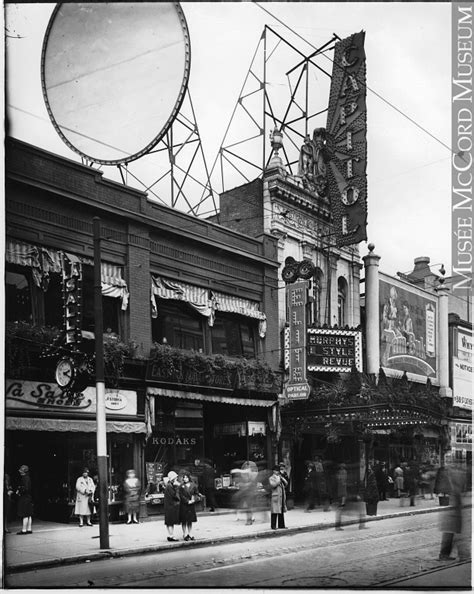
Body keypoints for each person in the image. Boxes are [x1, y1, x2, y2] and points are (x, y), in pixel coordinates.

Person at [437, 462, 470, 561]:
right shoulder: (452, 480)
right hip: (452, 511)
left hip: (453, 511)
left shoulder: (452, 479)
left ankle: (448, 554)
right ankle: (462, 554)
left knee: (452, 532)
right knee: (453, 532)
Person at [178, 472, 200, 541]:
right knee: (184, 520)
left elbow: (196, 494)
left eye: (186, 477)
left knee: (190, 520)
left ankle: (190, 533)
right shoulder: (181, 486)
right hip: (184, 505)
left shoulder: (193, 485)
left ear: (189, 478)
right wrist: (187, 501)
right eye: (184, 478)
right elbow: (181, 495)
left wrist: (194, 500)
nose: (185, 479)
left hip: (191, 505)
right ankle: (184, 534)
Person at [16, 465, 33, 535]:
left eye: (21, 470)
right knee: (29, 514)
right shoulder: (28, 477)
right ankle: (29, 529)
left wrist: (19, 491)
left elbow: (25, 488)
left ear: (24, 471)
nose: (19, 471)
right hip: (28, 497)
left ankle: (24, 530)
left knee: (25, 514)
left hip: (24, 498)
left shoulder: (24, 478)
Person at [269, 465, 287, 530]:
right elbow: (273, 485)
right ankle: (273, 526)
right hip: (275, 497)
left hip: (281, 497)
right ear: (273, 471)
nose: (278, 472)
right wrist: (278, 479)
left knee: (281, 511)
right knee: (274, 512)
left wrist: (282, 478)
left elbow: (286, 483)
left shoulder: (280, 478)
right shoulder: (271, 478)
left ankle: (281, 525)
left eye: (278, 471)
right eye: (276, 470)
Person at [164, 470, 180, 541]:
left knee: (169, 522)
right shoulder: (170, 486)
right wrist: (177, 487)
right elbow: (174, 496)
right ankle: (171, 535)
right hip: (171, 506)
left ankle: (170, 535)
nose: (176, 479)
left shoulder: (168, 485)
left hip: (168, 506)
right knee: (170, 522)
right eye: (175, 478)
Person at [334, 463, 348, 530]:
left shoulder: (339, 473)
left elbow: (338, 478)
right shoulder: (343, 472)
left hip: (339, 492)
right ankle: (338, 526)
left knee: (339, 511)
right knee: (339, 511)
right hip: (341, 490)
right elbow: (344, 478)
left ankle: (337, 526)